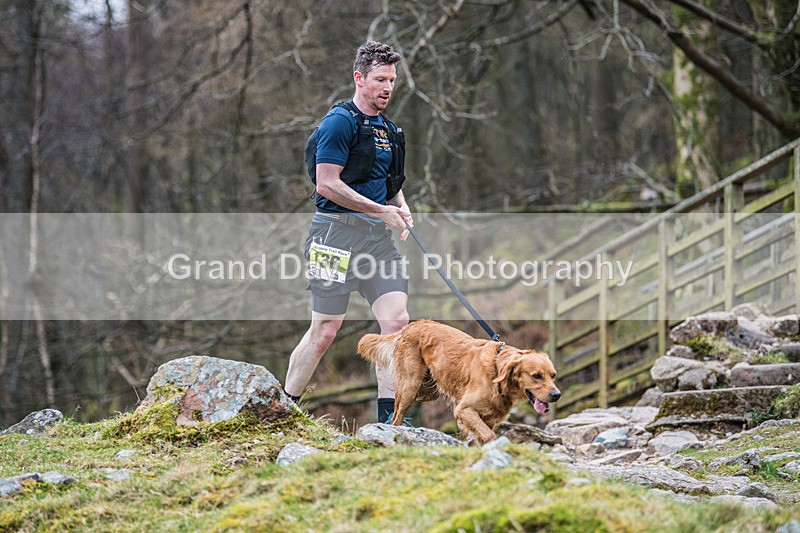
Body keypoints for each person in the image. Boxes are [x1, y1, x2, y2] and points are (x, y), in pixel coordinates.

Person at [283, 41, 413, 424]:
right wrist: (380, 210)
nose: (387, 87)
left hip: (376, 240)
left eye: (391, 79)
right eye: (379, 79)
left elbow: (389, 184)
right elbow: (326, 184)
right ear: (359, 78)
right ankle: (284, 408)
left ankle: (391, 424)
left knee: (397, 323)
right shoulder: (339, 123)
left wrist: (401, 207)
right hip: (333, 237)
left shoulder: (390, 130)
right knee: (325, 330)